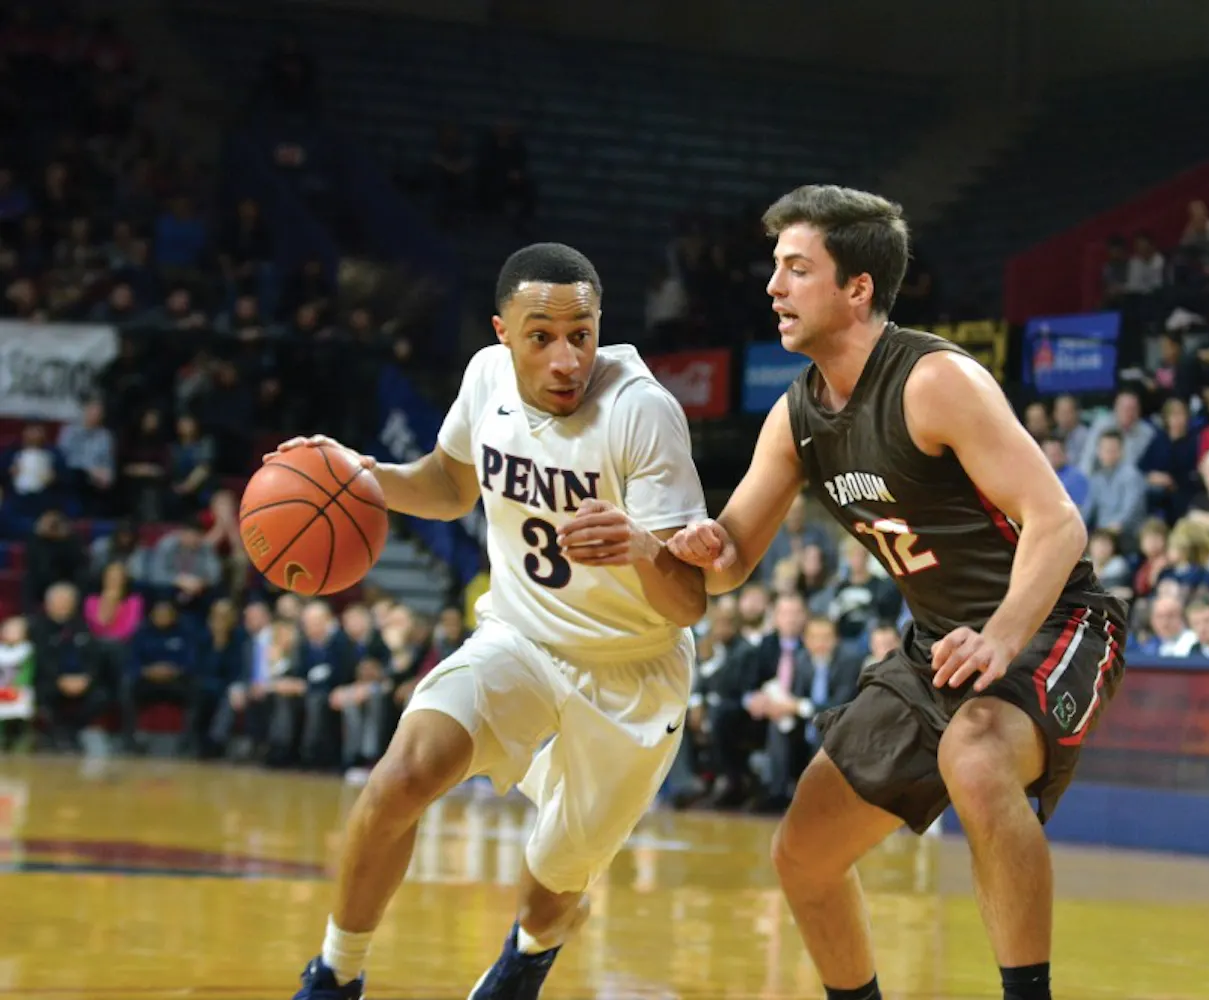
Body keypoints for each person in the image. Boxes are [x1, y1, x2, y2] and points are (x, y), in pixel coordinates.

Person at [668, 185, 1128, 1000]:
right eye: (775, 268)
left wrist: (1001, 637)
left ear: (857, 289)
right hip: (939, 647)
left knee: (977, 761)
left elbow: (1057, 523)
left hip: (1055, 621)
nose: (773, 286)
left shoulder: (933, 380)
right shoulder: (796, 415)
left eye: (796, 269)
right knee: (802, 854)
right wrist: (684, 544)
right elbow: (729, 561)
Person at [281, 243, 709, 1000]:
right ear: (503, 332)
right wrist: (359, 475)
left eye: (581, 334)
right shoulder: (485, 378)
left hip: (632, 673)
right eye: (540, 336)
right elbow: (449, 486)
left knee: (550, 898)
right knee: (400, 777)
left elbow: (688, 603)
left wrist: (644, 550)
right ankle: (335, 974)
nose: (566, 358)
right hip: (520, 638)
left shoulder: (644, 413)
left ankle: (528, 956)